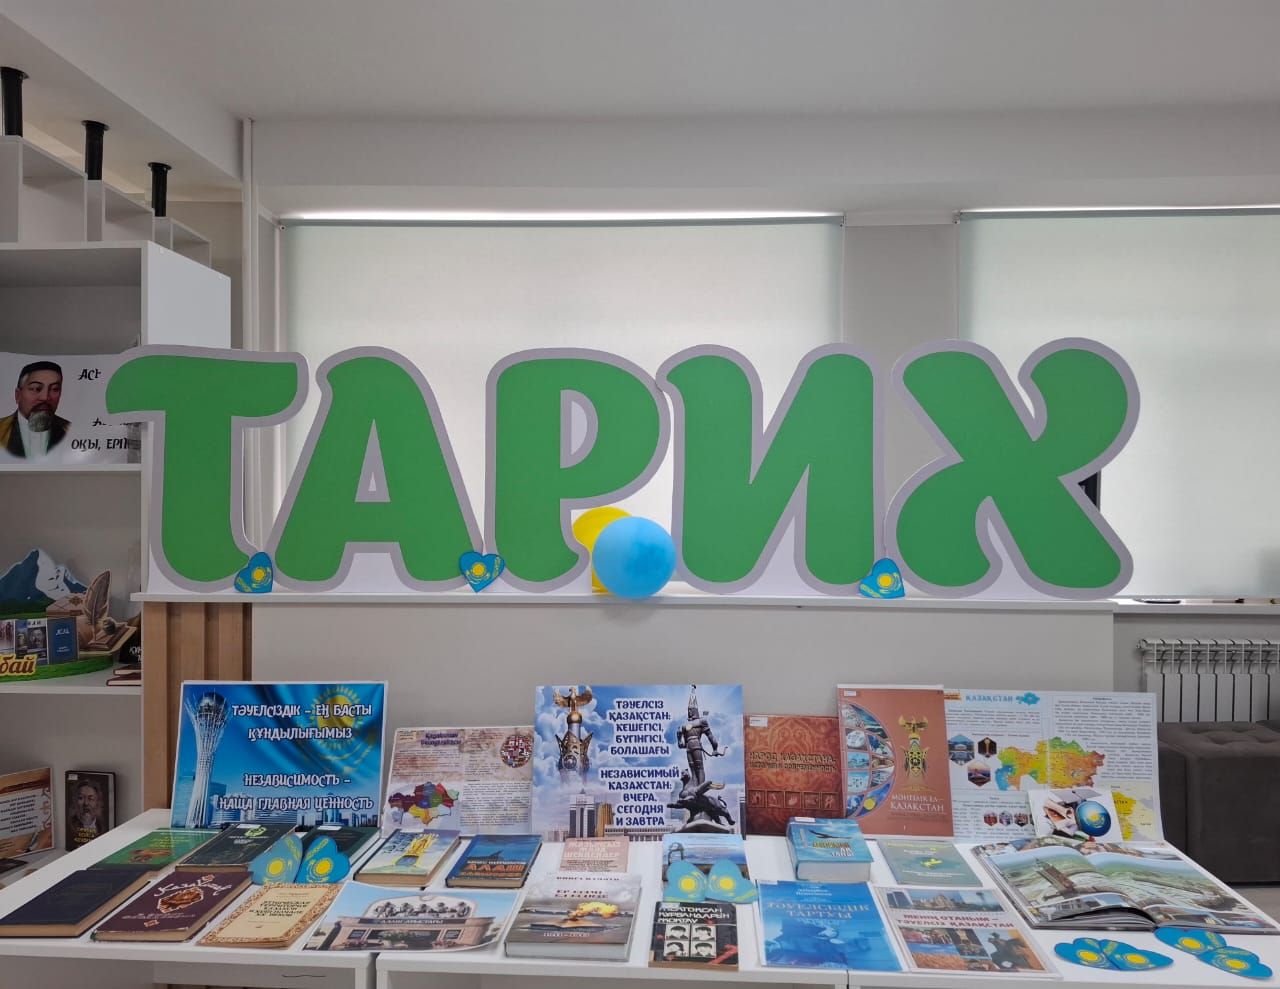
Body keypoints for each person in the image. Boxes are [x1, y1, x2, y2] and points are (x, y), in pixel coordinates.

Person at [0, 361, 69, 459]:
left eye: (54, 389)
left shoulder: (70, 430)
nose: (45, 397)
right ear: (18, 395)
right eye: (36, 388)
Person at [67, 778, 106, 846]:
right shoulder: (69, 827)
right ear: (75, 801)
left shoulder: (103, 827)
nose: (86, 803)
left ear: (97, 802)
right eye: (81, 798)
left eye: (91, 798)